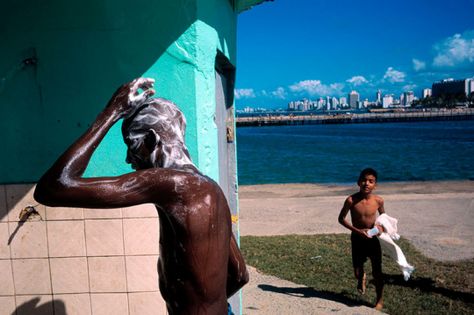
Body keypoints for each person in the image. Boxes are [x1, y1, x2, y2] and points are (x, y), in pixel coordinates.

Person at [34, 78, 248, 315]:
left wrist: (112, 113)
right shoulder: (210, 189)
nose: (128, 158)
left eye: (131, 145)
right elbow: (239, 274)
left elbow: (54, 187)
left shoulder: (172, 184)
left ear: (151, 140)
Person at [337, 168, 385, 310]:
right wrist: (357, 231)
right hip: (357, 240)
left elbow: (384, 219)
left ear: (375, 185)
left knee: (377, 271)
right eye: (364, 180)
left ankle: (379, 300)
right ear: (358, 182)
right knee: (357, 271)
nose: (367, 183)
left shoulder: (378, 201)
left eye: (371, 181)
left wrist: (380, 227)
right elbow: (341, 219)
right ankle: (361, 277)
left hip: (373, 241)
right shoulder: (351, 200)